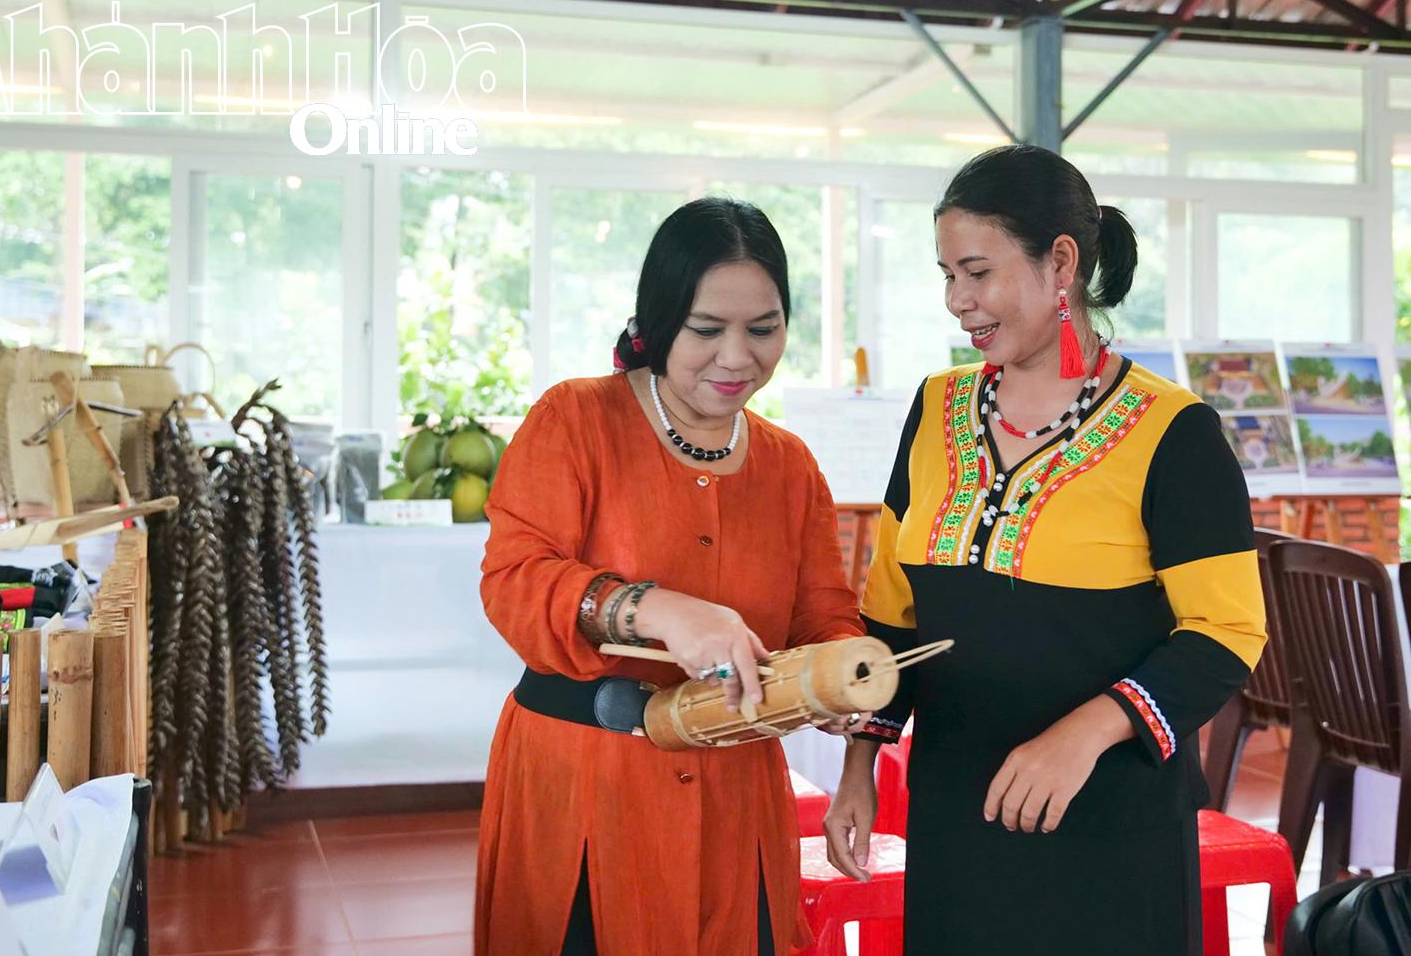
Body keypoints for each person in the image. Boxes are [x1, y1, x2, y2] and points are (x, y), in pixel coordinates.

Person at [824, 145, 1268, 955]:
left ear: (1060, 262)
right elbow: (894, 614)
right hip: (957, 817)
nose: (957, 301)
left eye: (977, 273)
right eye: (946, 275)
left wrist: (1082, 734)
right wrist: (860, 763)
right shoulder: (934, 408)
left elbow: (1226, 633)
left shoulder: (1175, 433)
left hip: (1107, 829)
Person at [476, 197, 866, 956]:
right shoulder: (575, 419)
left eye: (763, 329)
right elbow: (515, 581)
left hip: (735, 799)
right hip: (584, 791)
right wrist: (655, 609)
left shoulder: (789, 465)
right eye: (706, 329)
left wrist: (840, 679)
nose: (736, 357)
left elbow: (825, 613)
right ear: (657, 323)